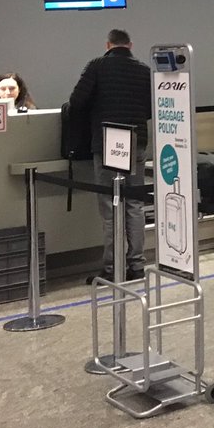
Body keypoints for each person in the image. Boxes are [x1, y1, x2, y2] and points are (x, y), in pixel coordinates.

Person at [68, 29, 151, 282]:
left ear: (108, 45)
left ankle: (113, 268)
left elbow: (76, 102)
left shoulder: (96, 66)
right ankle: (137, 265)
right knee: (135, 204)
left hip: (107, 142)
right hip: (136, 140)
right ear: (130, 45)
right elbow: (150, 108)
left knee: (110, 205)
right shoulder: (144, 70)